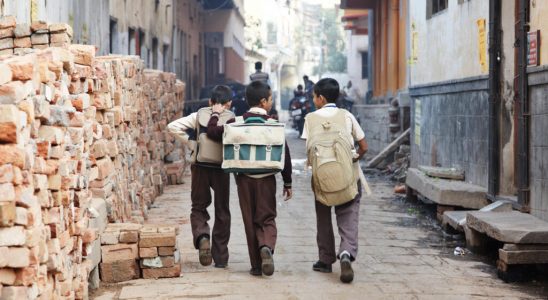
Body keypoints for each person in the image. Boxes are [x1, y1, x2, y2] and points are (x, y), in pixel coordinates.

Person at [207, 80, 293, 277]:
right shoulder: (274, 125)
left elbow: (212, 132)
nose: (271, 102)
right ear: (263, 102)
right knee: (267, 218)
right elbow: (285, 155)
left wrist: (215, 114)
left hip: (243, 179)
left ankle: (256, 265)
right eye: (270, 99)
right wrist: (287, 182)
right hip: (266, 179)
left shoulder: (235, 122)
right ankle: (267, 246)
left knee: (249, 220)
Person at [301, 78, 368, 284]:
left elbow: (309, 149)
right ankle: (346, 253)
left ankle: (325, 259)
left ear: (321, 98)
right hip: (347, 176)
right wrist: (353, 158)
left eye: (314, 96)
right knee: (348, 214)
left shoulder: (310, 118)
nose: (313, 100)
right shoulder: (346, 115)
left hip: (322, 177)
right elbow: (363, 146)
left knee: (323, 217)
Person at [167, 85, 234, 269]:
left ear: (210, 102)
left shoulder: (198, 115)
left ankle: (203, 236)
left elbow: (172, 126)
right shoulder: (231, 118)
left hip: (200, 167)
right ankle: (220, 257)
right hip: (221, 169)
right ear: (229, 103)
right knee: (222, 210)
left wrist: (191, 143)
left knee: (198, 206)